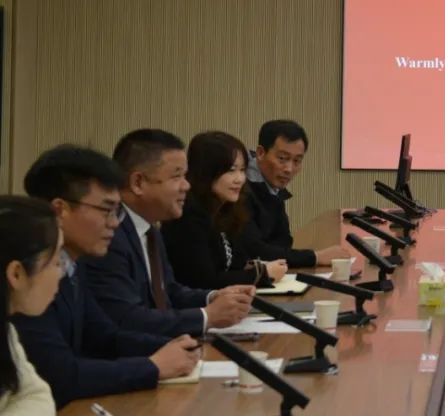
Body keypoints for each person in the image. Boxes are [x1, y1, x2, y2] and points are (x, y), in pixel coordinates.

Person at [12, 146, 200, 408]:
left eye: (117, 212)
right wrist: (153, 366)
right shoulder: (28, 273)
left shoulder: (73, 265)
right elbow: (61, 375)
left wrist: (175, 346)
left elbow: (104, 336)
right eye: (106, 210)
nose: (114, 223)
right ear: (59, 210)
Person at [83, 129, 254, 338]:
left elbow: (169, 291)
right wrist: (207, 316)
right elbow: (127, 319)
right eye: (177, 176)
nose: (186, 185)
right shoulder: (108, 236)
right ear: (138, 183)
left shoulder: (150, 230)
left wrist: (213, 297)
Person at [162, 131, 287, 290]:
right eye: (231, 170)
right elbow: (204, 281)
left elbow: (239, 262)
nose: (239, 179)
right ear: (206, 171)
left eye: (242, 170)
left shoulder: (226, 208)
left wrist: (256, 268)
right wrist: (262, 274)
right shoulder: (188, 215)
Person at [245, 120, 348, 268]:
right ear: (261, 153)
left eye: (297, 161)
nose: (289, 169)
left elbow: (282, 242)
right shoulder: (240, 188)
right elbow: (253, 251)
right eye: (282, 158)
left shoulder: (272, 186)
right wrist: (315, 257)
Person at [0, 196, 61, 415]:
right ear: (16, 274)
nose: (61, 273)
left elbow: (36, 394)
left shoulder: (7, 331)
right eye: (56, 262)